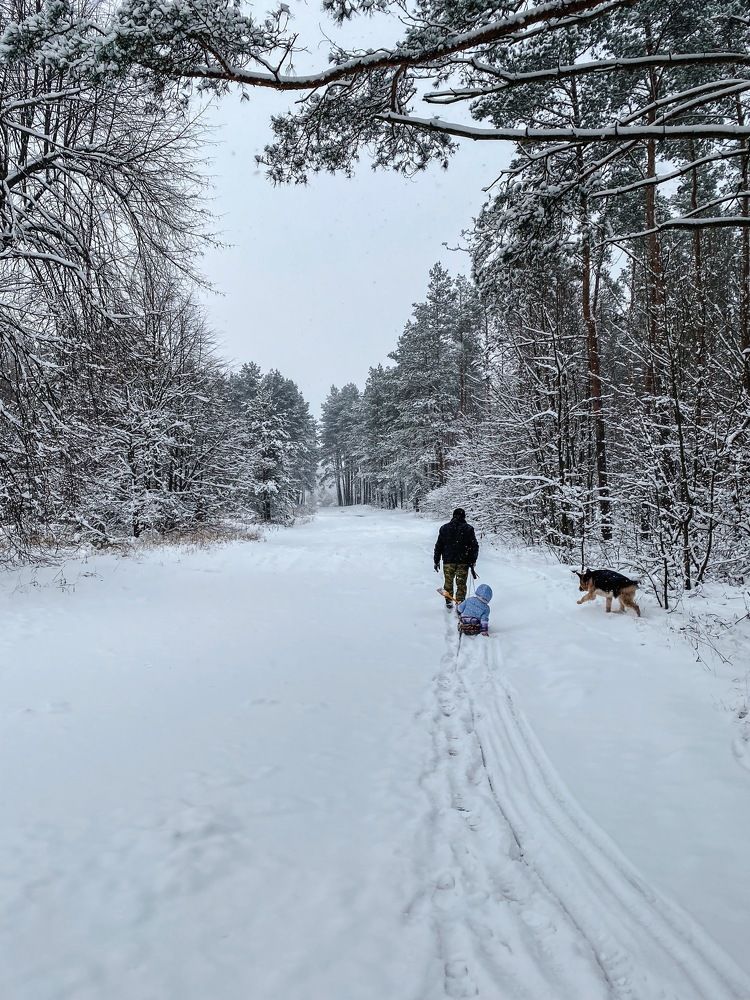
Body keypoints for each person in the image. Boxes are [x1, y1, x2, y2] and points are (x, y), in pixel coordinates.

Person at [433, 507, 479, 608]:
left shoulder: (444, 528)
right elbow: (474, 546)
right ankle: (460, 604)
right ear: (464, 516)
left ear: (453, 516)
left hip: (448, 562)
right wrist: (472, 560)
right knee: (461, 585)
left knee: (448, 582)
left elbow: (438, 545)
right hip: (463, 562)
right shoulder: (468, 529)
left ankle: (448, 601)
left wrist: (436, 561)